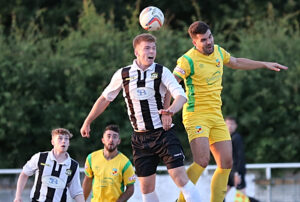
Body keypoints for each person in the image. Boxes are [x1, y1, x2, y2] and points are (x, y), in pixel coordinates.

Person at [172, 21, 288, 202]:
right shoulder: (187, 60)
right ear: (195, 43)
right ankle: (180, 200)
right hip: (196, 114)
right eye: (203, 40)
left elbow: (235, 62)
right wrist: (167, 110)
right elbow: (172, 83)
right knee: (202, 161)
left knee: (226, 163)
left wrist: (264, 63)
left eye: (210, 37)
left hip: (216, 115)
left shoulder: (218, 51)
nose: (209, 42)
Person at [80, 33, 201, 202]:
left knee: (179, 178)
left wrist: (170, 111)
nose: (152, 51)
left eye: (154, 48)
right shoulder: (123, 74)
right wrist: (88, 121)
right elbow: (104, 99)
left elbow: (181, 96)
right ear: (136, 52)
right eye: (147, 48)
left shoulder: (161, 71)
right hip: (140, 138)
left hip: (163, 133)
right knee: (146, 188)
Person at [14, 128, 84, 202]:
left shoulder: (73, 165)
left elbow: (76, 191)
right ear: (52, 142)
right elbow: (24, 174)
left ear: (69, 143)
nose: (64, 141)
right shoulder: (40, 157)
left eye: (66, 139)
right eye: (60, 138)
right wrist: (18, 196)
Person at [82, 124, 136, 202]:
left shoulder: (125, 163)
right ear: (103, 140)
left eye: (114, 137)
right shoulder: (92, 158)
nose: (111, 140)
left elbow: (130, 188)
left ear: (119, 141)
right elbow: (87, 181)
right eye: (108, 136)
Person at [225, 116, 246, 194]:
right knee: (221, 194)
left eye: (232, 124)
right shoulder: (226, 137)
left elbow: (240, 156)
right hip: (229, 171)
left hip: (236, 171)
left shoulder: (237, 138)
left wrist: (237, 172)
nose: (230, 126)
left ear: (236, 126)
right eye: (228, 124)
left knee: (242, 195)